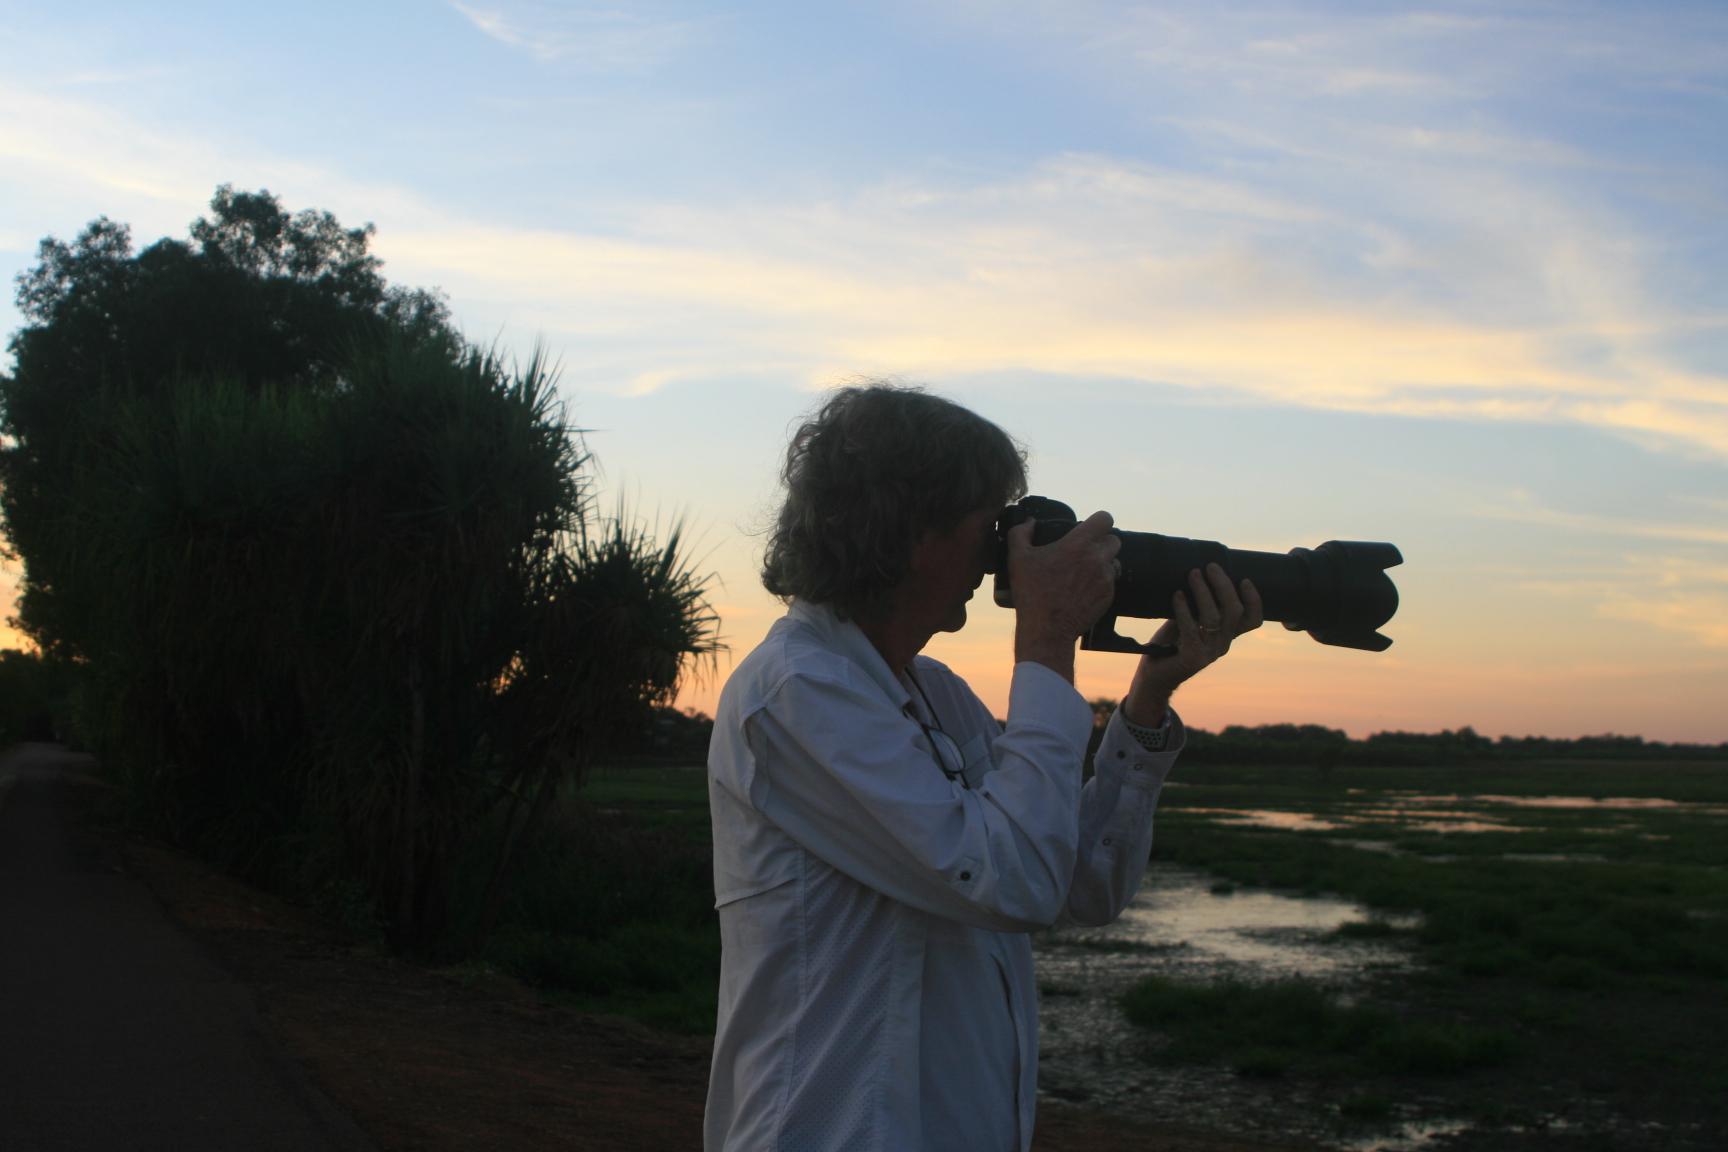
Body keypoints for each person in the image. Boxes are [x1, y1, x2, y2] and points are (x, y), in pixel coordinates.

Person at [704, 385, 1262, 1152]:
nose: (1003, 551)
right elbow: (1015, 882)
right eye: (991, 523)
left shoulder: (933, 695)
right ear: (911, 530)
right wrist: (1046, 643)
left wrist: (1146, 700)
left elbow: (1076, 884)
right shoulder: (797, 692)